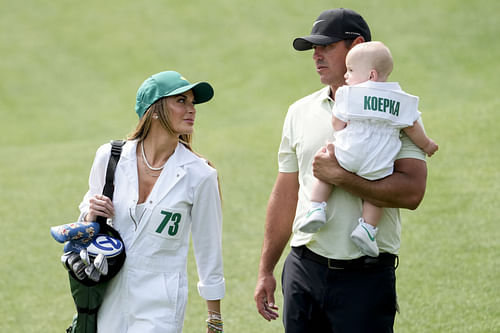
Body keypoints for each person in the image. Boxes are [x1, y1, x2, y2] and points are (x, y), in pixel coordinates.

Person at [254, 8, 429, 332]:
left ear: (357, 46)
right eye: (313, 50)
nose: (316, 56)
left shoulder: (397, 111)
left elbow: (412, 191)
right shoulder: (299, 111)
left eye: (326, 46)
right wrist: (266, 268)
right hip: (304, 268)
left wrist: (341, 178)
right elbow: (286, 192)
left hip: (365, 276)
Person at [78, 71, 225, 333]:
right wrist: (90, 216)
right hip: (108, 294)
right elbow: (84, 223)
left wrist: (214, 320)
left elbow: (209, 249)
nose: (191, 109)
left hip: (161, 304)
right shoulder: (109, 157)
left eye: (192, 103)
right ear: (154, 110)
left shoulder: (200, 175)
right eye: (181, 101)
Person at [299, 41, 438, 258]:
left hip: (349, 152)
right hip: (379, 159)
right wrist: (427, 144)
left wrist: (340, 125)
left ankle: (316, 208)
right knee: (376, 191)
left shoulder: (349, 94)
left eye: (351, 70)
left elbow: (338, 123)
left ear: (371, 75)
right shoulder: (400, 99)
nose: (347, 75)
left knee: (327, 166)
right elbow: (412, 126)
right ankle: (367, 228)